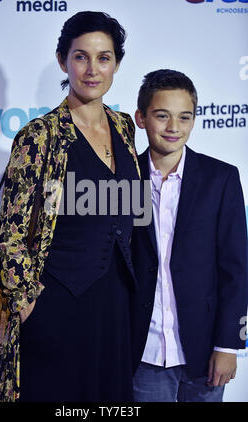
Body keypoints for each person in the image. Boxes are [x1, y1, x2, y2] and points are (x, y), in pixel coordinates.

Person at [0, 11, 145, 402]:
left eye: (104, 58)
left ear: (117, 64)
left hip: (115, 301)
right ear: (64, 60)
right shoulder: (38, 137)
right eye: (81, 56)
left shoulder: (124, 126)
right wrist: (27, 303)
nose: (92, 69)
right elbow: (10, 233)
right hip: (57, 304)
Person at [132, 69, 248, 402]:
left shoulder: (220, 178)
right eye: (162, 116)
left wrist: (228, 345)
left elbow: (235, 269)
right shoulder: (123, 180)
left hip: (205, 354)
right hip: (144, 355)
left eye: (184, 117)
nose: (173, 127)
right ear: (141, 118)